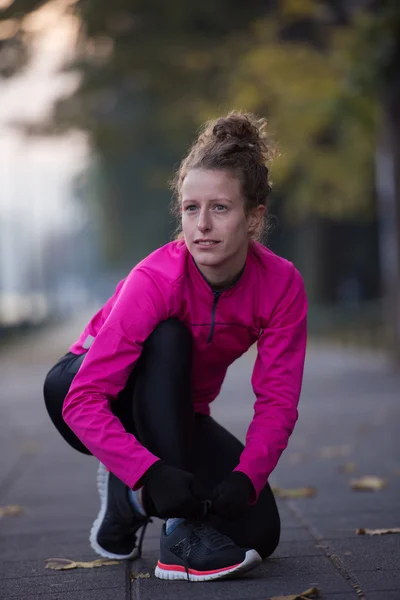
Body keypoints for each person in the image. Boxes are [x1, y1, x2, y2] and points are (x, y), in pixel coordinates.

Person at [43, 111, 308, 583]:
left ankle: (128, 501)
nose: (202, 225)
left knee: (259, 532)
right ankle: (178, 536)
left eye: (220, 208)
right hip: (81, 389)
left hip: (175, 411)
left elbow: (278, 402)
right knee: (169, 336)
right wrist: (151, 473)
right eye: (190, 208)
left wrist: (247, 478)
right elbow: (83, 401)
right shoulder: (155, 280)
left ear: (254, 218)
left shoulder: (282, 284)